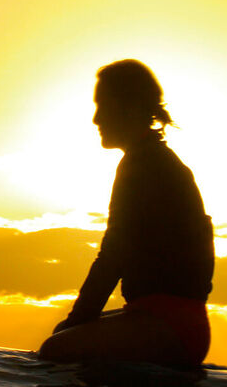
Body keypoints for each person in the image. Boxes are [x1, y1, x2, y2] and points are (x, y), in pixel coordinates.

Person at [38, 60, 214, 368]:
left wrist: (77, 318)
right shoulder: (157, 160)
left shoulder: (144, 165)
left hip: (168, 326)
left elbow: (113, 254)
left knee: (54, 350)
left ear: (130, 108)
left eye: (103, 106)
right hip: (175, 323)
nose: (95, 119)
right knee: (67, 335)